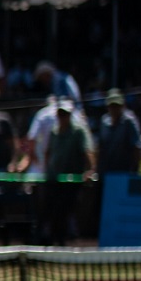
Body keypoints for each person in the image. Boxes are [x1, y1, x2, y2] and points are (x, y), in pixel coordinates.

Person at [42, 101, 94, 244]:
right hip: (54, 179)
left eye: (65, 114)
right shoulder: (54, 131)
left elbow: (87, 152)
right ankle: (53, 242)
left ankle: (64, 243)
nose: (62, 117)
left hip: (71, 182)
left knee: (65, 212)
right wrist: (47, 170)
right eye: (60, 114)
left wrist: (90, 170)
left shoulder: (78, 131)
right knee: (52, 212)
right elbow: (48, 152)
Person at [95, 92, 141, 177]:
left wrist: (135, 171)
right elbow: (100, 147)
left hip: (125, 172)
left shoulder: (129, 121)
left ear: (122, 105)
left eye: (117, 106)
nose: (114, 109)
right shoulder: (104, 121)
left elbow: (136, 147)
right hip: (106, 172)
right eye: (112, 106)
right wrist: (97, 169)